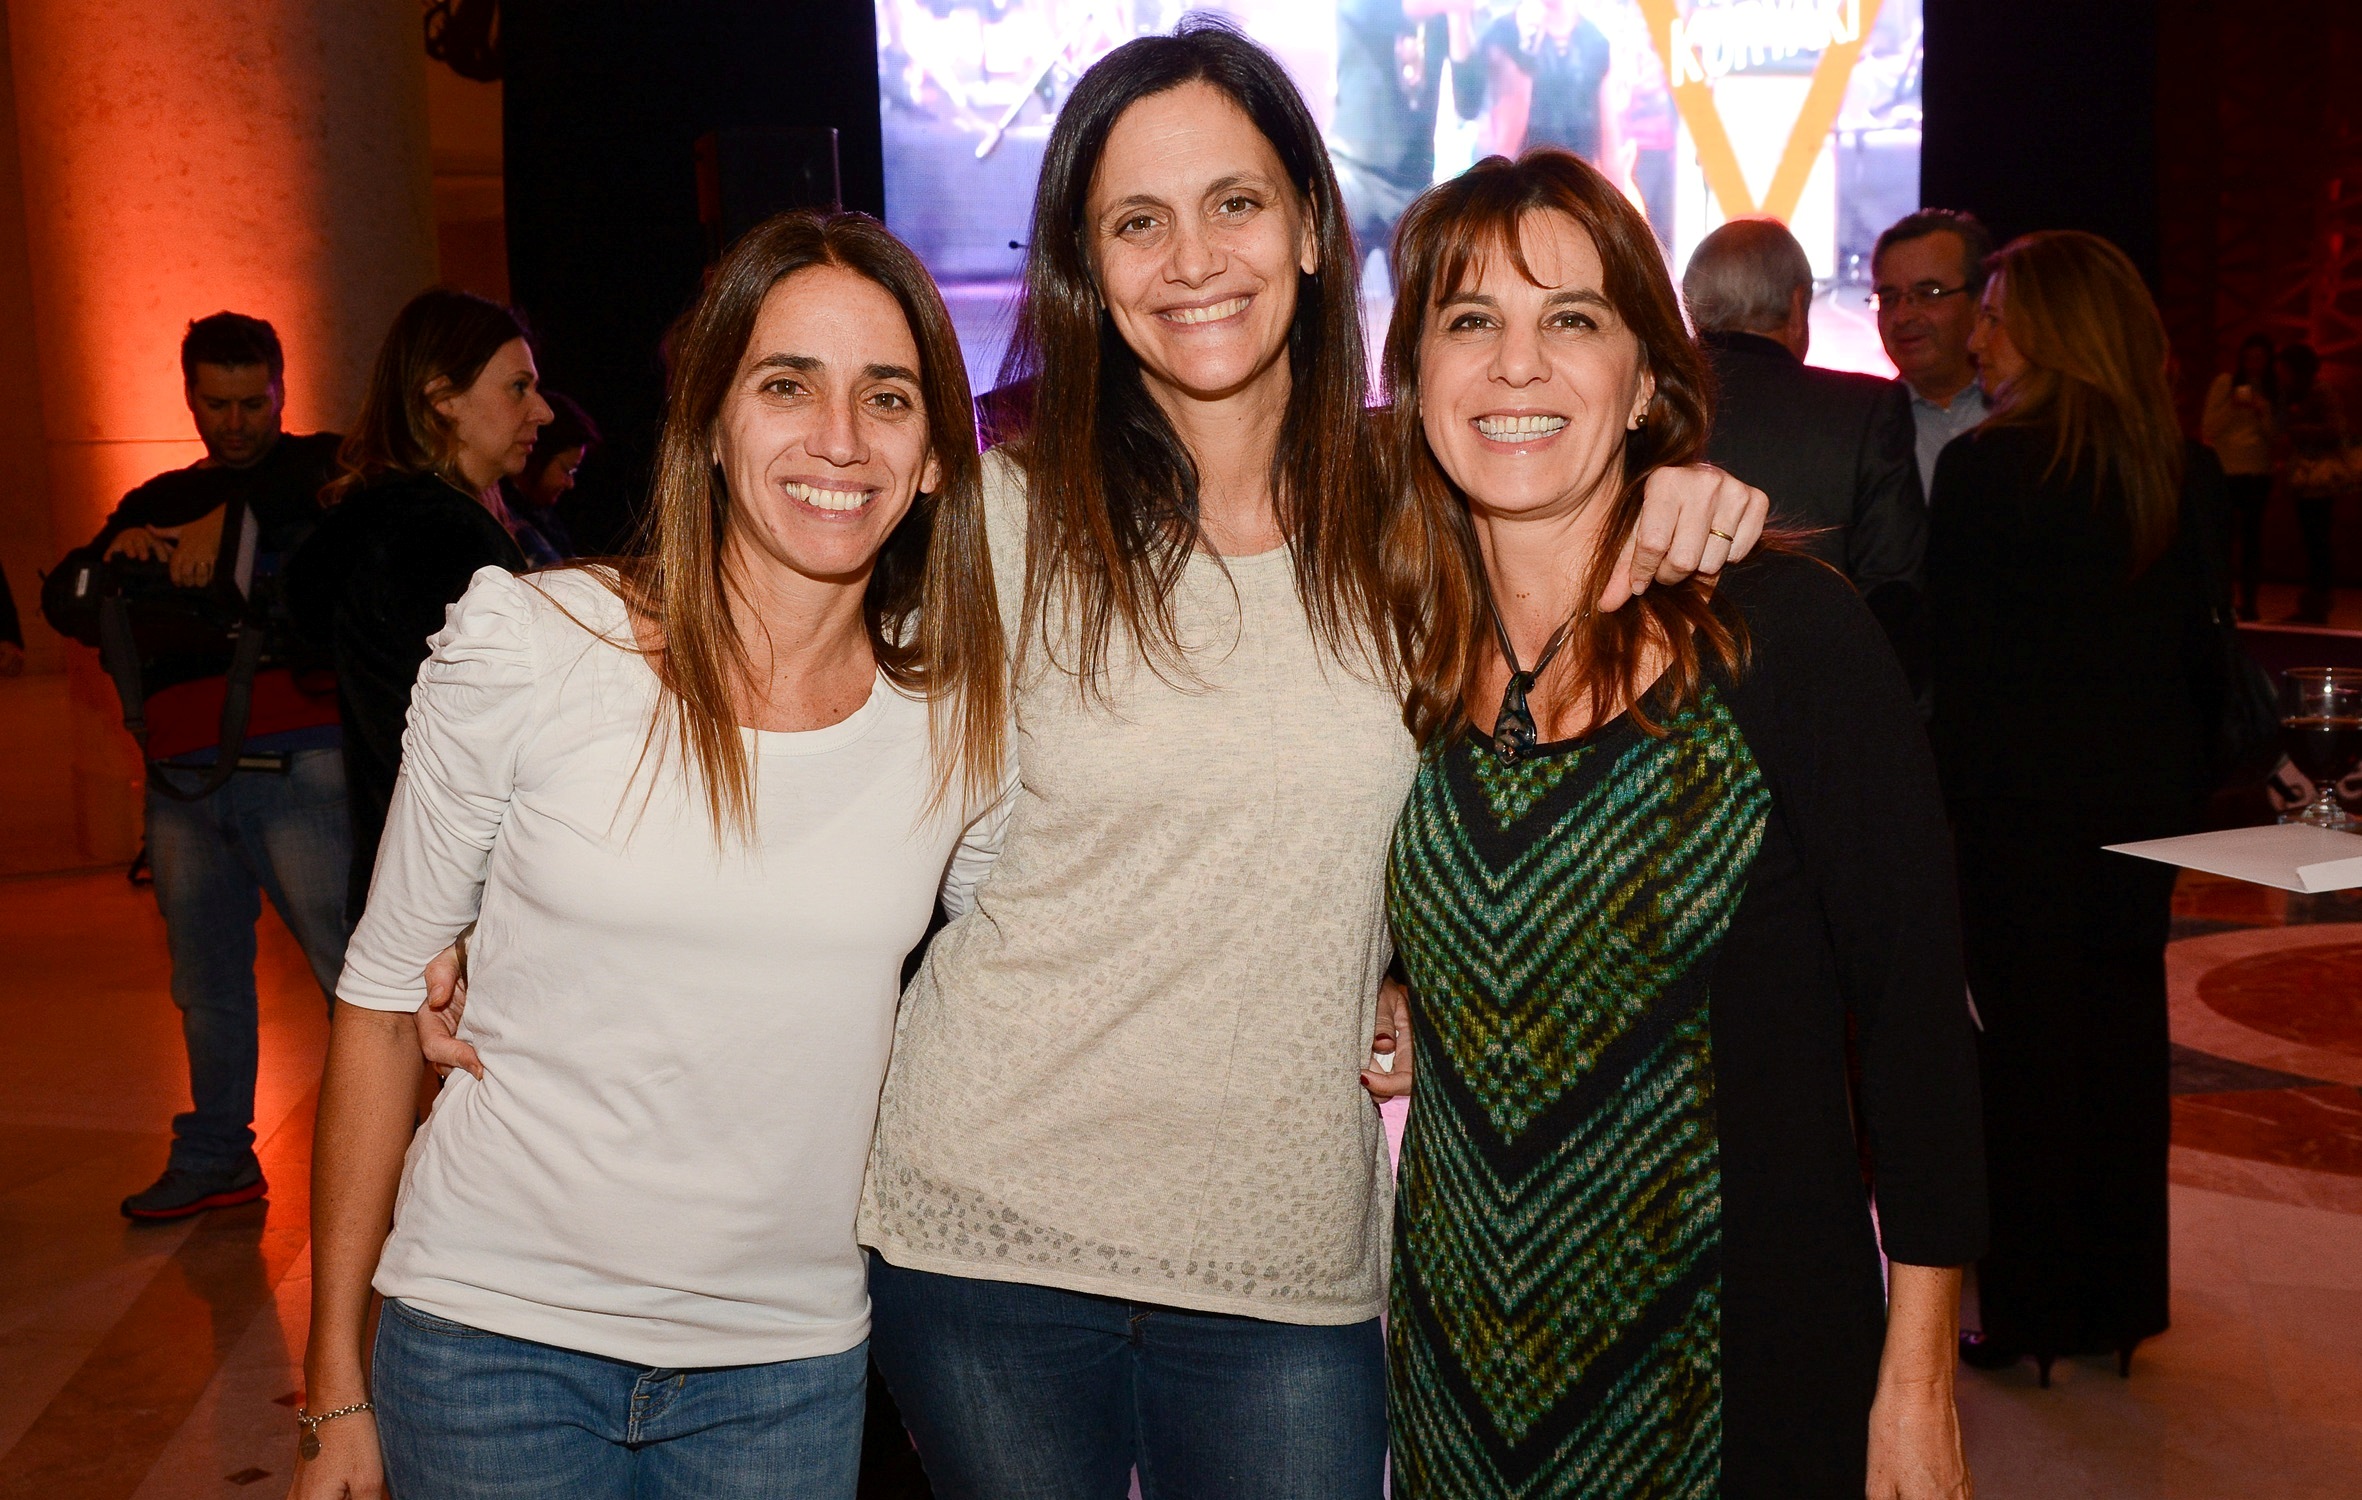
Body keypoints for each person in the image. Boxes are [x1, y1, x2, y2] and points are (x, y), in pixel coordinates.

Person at [852, 21, 1769, 1499]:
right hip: (988, 1231)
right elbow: (825, 764)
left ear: (1302, 231)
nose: (1192, 257)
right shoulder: (1004, 517)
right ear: (1088, 271)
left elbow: (1512, 713)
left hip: (1288, 1252)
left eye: (1233, 203)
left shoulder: (1421, 508)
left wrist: (1687, 489)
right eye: (1135, 222)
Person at [287, 211, 1011, 1500]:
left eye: (886, 397)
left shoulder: (957, 728)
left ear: (938, 461)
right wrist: (334, 1377)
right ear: (714, 425)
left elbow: (1053, 952)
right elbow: (386, 994)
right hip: (489, 1341)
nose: (838, 439)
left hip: (783, 1369)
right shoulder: (537, 644)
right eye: (786, 384)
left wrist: (1374, 976)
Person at [1379, 147, 1984, 1500]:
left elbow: (1914, 1030)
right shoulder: (1393, 648)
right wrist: (1390, 975)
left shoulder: (1786, 637)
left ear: (1645, 377)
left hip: (1740, 1374)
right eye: (1468, 321)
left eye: (1570, 320)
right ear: (1414, 378)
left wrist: (1918, 1380)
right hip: (1459, 1370)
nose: (1515, 366)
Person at [1929, 230, 2224, 1383]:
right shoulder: (2178, 468)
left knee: (2018, 1067)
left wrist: (1944, 826)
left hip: (2016, 822)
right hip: (2139, 823)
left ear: (2048, 327)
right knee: (2117, 1052)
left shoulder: (1989, 469)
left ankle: (2030, 1309)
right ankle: (2115, 1301)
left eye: (1995, 311)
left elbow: (1965, 679)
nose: (1978, 332)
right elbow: (2201, 671)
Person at [79, 313, 352, 1222]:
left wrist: (215, 539)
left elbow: (326, 552)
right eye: (215, 403)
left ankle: (422, 1160)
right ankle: (216, 1157)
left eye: (252, 402)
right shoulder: (158, 496)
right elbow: (72, 594)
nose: (233, 423)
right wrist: (153, 551)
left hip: (301, 757)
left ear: (281, 389)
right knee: (205, 985)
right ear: (190, 396)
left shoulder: (323, 473)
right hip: (182, 774)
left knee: (352, 977)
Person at [284, 290, 550, 919]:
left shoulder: (379, 523)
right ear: (441, 400)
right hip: (457, 900)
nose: (541, 411)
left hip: (398, 882)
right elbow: (498, 744)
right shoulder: (443, 538)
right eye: (518, 388)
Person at [1685, 216, 1926, 664]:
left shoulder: (1647, 403)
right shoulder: (1867, 409)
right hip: (1823, 694)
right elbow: (1893, 590)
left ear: (1692, 306)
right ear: (1798, 307)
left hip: (1663, 699)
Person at [1872, 209, 1994, 497]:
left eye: (1929, 293)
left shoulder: (2027, 410)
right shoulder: (1867, 426)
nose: (1902, 316)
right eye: (1888, 298)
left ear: (1981, 300)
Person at [1331, 0, 1454, 267]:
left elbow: (1469, 103)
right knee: (1331, 297)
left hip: (1413, 182)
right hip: (1354, 173)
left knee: (1420, 303)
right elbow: (1379, 12)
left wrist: (1462, 22)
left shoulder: (1441, 20)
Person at [1452, 0, 1623, 184]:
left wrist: (1618, 203)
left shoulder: (1594, 41)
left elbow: (1608, 139)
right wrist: (1527, 48)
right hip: (1515, 190)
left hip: (1574, 188)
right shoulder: (1503, 34)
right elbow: (1505, 138)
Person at [2201, 333, 2276, 618]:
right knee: (2222, 537)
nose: (2254, 364)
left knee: (2252, 539)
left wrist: (2263, 411)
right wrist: (2233, 405)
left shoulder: (2271, 389)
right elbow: (2208, 427)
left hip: (2257, 472)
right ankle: (2222, 598)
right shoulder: (2224, 383)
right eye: (2249, 357)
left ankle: (2250, 601)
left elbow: (2274, 437)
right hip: (2226, 470)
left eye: (2260, 358)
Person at [2277, 342, 2349, 624]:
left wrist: (2297, 431)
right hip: (2305, 478)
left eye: (2283, 369)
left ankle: (2318, 603)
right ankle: (2315, 602)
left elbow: (2336, 428)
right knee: (2313, 539)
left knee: (2317, 539)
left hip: (2318, 478)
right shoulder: (2291, 394)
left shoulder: (2320, 392)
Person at [500, 388, 600, 565]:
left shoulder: (545, 517)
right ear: (538, 455)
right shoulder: (504, 516)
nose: (570, 484)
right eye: (567, 470)